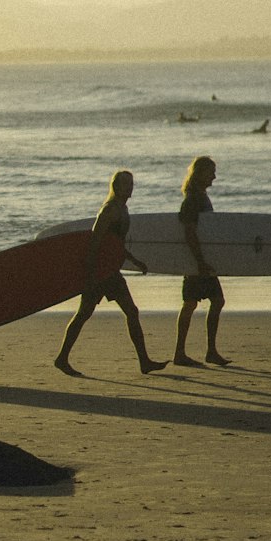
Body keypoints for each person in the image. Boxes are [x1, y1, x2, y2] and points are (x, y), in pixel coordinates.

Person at [54, 170, 167, 377]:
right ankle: (62, 358)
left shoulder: (122, 209)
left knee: (130, 312)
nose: (130, 187)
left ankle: (144, 361)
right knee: (84, 314)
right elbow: (94, 242)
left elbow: (114, 244)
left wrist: (133, 260)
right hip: (100, 272)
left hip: (110, 272)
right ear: (116, 187)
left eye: (132, 183)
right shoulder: (109, 210)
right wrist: (89, 275)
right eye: (126, 184)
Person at [173, 155, 230, 367]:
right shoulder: (192, 200)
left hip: (200, 261)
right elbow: (189, 232)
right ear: (200, 173)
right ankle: (185, 353)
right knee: (195, 303)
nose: (214, 176)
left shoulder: (200, 196)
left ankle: (206, 351)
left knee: (202, 302)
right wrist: (199, 262)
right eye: (211, 172)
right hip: (197, 262)